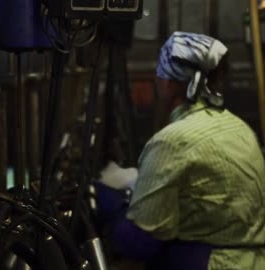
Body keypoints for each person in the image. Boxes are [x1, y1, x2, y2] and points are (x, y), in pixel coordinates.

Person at [96, 32, 265, 270]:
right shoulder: (239, 129)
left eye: (160, 69)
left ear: (169, 82)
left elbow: (140, 242)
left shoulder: (172, 141)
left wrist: (113, 207)